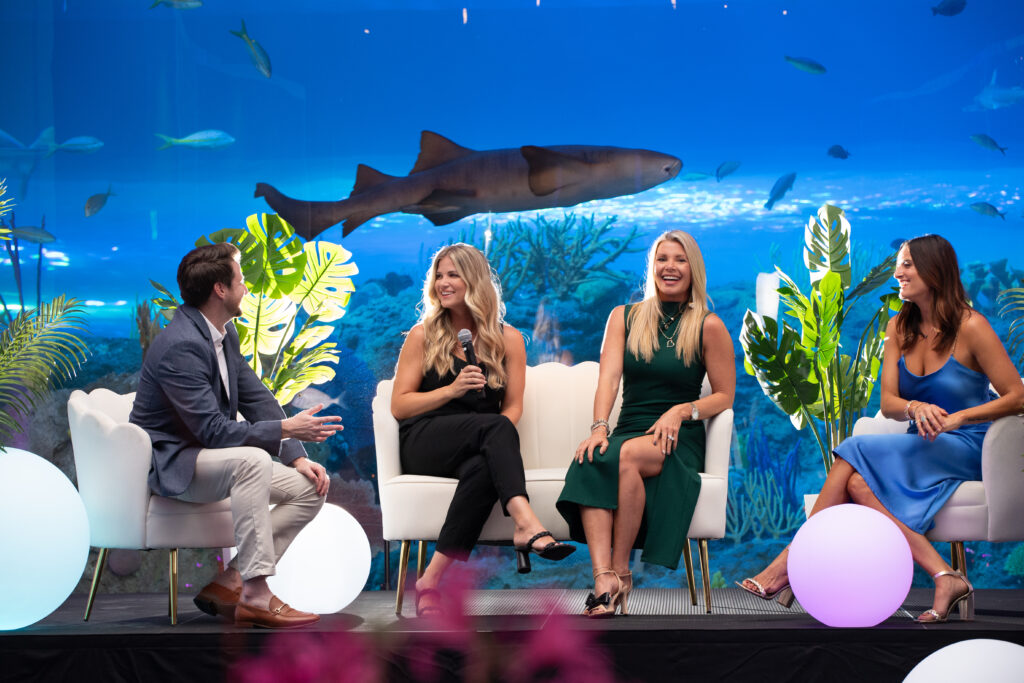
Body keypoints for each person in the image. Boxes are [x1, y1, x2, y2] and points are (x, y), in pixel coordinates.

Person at [738, 234, 1024, 623]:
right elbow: (889, 403)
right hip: (920, 443)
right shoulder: (897, 327)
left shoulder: (972, 326)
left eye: (907, 264)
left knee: (854, 447)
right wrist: (914, 406)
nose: (897, 273)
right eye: (899, 265)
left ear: (933, 270)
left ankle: (790, 562)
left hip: (967, 444)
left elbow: (1017, 396)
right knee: (857, 483)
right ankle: (945, 575)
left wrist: (958, 418)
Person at [130, 243, 344, 629]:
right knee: (253, 461)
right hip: (176, 464)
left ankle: (229, 583)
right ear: (220, 289)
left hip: (210, 459)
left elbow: (257, 398)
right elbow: (212, 431)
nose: (246, 288)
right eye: (241, 281)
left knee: (309, 488)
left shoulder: (223, 334)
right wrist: (286, 427)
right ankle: (256, 594)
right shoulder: (181, 345)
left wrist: (297, 456)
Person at [556, 230, 736, 618]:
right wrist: (599, 428)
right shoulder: (624, 317)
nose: (670, 267)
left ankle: (622, 571)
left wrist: (682, 411)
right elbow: (608, 380)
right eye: (662, 259)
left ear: (693, 268)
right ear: (652, 267)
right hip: (630, 428)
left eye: (680, 259)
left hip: (678, 436)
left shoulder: (708, 325)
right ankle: (603, 577)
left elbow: (724, 396)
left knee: (625, 457)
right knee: (592, 457)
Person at [391, 243, 575, 617]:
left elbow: (514, 407)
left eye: (453, 275)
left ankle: (429, 582)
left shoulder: (509, 339)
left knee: (484, 467)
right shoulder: (422, 335)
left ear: (474, 281)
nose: (443, 283)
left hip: (477, 445)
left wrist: (495, 444)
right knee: (494, 428)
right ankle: (526, 522)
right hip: (425, 441)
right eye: (439, 275)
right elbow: (400, 405)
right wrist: (451, 390)